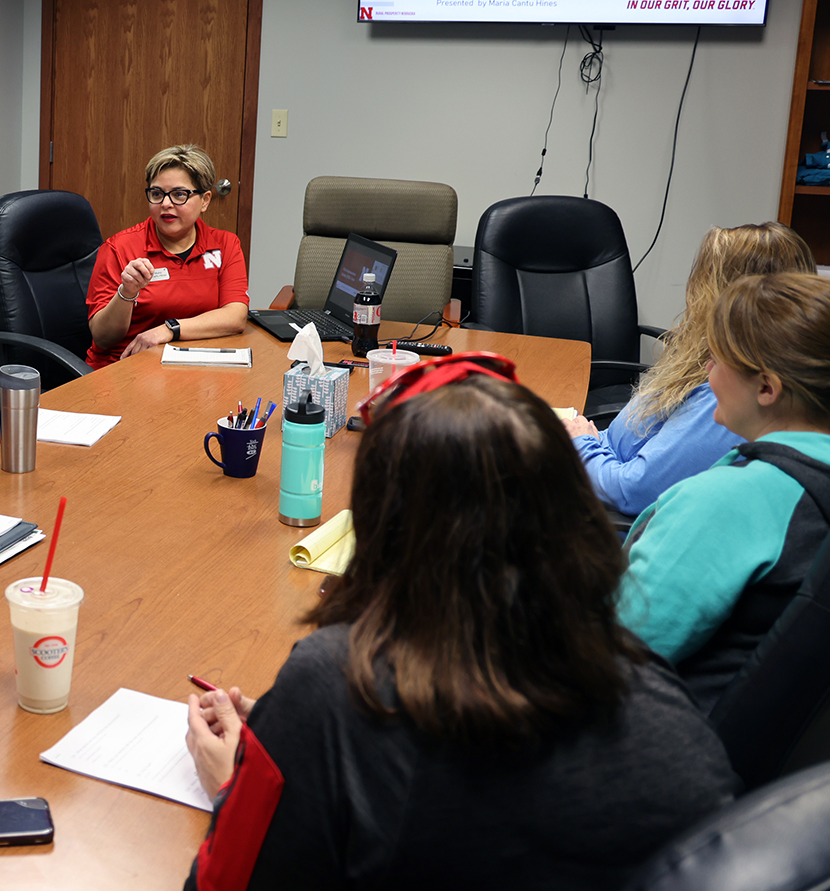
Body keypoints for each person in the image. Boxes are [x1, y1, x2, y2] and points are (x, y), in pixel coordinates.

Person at [183, 355, 736, 890]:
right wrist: (296, 736)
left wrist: (241, 786)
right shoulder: (662, 699)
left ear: (382, 527)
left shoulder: (337, 683)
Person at [620, 271, 830, 711]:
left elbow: (609, 655)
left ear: (767, 387)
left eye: (715, 359)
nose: (707, 373)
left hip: (662, 750)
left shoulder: (728, 503)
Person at [566, 221, 814, 516]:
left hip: (598, 516)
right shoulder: (708, 363)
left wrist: (583, 444)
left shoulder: (728, 394)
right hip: (591, 467)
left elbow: (633, 491)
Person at [85, 144, 248, 368]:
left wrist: (169, 329)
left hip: (188, 367)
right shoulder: (118, 248)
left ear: (205, 200)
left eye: (179, 194)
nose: (166, 204)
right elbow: (103, 338)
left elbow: (235, 316)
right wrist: (127, 292)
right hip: (123, 369)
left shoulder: (225, 245)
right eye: (157, 194)